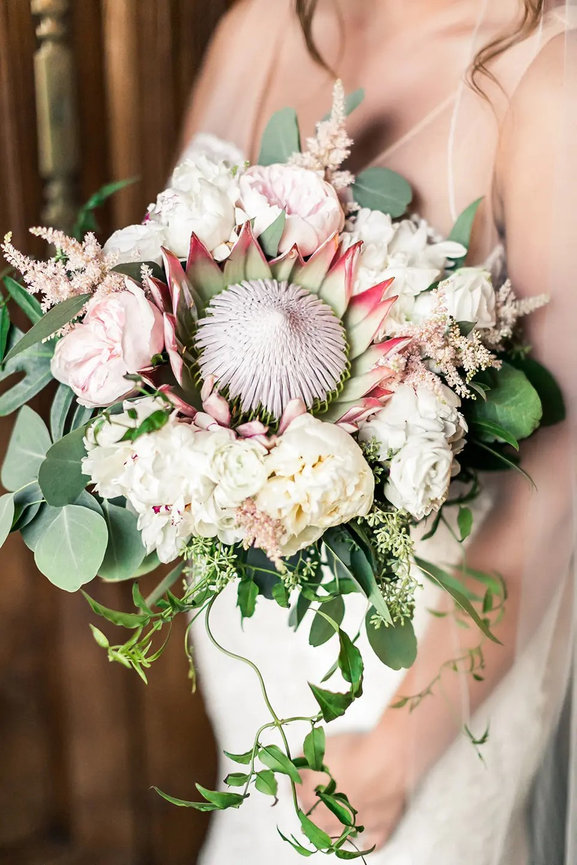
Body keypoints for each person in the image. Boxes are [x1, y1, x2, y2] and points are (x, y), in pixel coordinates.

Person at [182, 1, 577, 862]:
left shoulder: (547, 82)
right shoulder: (259, 28)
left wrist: (398, 752)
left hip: (415, 671)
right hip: (249, 648)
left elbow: (562, 479)